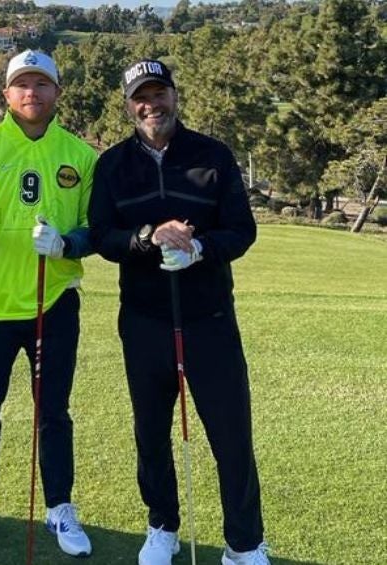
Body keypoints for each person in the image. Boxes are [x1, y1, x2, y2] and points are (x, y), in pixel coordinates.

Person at [89, 59, 268, 565]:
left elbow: (242, 230)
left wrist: (201, 249)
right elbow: (103, 236)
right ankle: (161, 526)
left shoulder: (213, 156)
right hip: (144, 322)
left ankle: (244, 544)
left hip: (209, 319)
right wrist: (147, 239)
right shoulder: (113, 165)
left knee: (232, 436)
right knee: (151, 433)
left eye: (159, 93)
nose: (152, 105)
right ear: (127, 106)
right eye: (140, 97)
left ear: (174, 95)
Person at [0, 49, 97, 558]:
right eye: (22, 85)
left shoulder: (80, 155)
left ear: (57, 92)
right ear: (6, 94)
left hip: (53, 303)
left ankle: (59, 508)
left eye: (42, 84)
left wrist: (68, 244)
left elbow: (99, 229)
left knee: (54, 411)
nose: (32, 93)